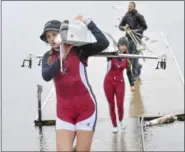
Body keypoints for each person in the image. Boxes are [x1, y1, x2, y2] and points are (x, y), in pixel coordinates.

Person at [40, 16, 109, 151]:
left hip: (86, 109)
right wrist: (61, 57)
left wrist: (89, 22)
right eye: (48, 36)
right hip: (64, 111)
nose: (52, 39)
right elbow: (46, 76)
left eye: (54, 34)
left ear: (62, 34)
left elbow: (103, 43)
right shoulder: (48, 57)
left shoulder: (79, 50)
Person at [103, 37, 135, 133]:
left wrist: (132, 84)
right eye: (122, 45)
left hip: (120, 83)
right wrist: (112, 52)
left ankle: (120, 120)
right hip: (108, 83)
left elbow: (129, 72)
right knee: (111, 105)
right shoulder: (111, 55)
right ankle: (114, 125)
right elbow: (104, 50)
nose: (124, 47)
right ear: (118, 45)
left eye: (125, 46)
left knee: (120, 104)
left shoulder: (127, 57)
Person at [118, 1, 147, 81]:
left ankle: (135, 75)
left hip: (137, 39)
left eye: (131, 6)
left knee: (135, 56)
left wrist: (137, 31)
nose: (129, 7)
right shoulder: (126, 16)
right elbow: (120, 26)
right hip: (128, 39)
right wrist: (124, 28)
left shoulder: (139, 16)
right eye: (129, 6)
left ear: (134, 7)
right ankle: (138, 66)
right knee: (129, 57)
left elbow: (145, 27)